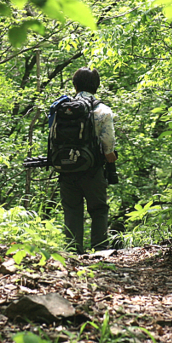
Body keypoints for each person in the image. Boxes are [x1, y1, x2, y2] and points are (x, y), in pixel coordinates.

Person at [58, 67, 116, 254]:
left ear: (74, 86)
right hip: (93, 169)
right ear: (97, 86)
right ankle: (100, 249)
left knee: (72, 210)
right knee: (98, 209)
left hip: (66, 167)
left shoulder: (62, 108)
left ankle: (73, 251)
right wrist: (110, 161)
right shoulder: (102, 110)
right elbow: (108, 145)